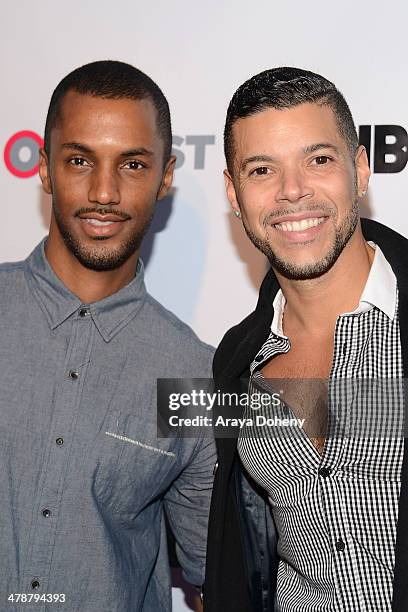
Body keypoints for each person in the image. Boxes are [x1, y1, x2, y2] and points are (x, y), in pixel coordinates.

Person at [0, 60, 215, 612]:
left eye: (133, 164)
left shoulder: (194, 376)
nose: (104, 191)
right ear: (44, 168)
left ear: (165, 176)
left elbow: (217, 576)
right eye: (79, 160)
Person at [204, 67, 408, 611]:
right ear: (233, 192)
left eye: (319, 160)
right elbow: (238, 552)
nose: (293, 191)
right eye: (262, 169)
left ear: (361, 170)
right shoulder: (235, 360)